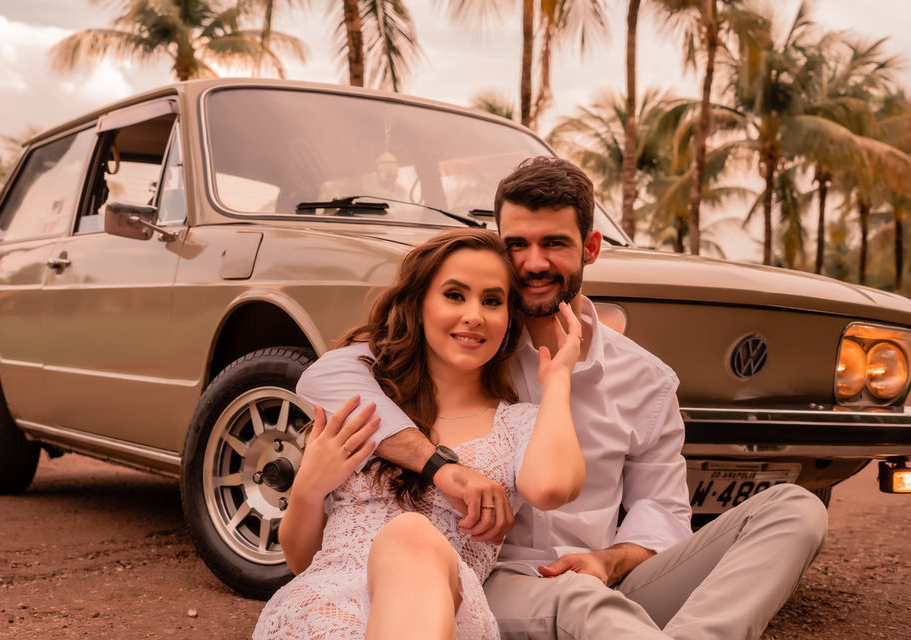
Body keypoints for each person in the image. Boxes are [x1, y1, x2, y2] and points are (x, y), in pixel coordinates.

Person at [297, 156, 829, 639]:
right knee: (579, 604)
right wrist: (440, 466)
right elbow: (332, 375)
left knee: (795, 509)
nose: (533, 263)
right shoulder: (472, 345)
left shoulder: (646, 379)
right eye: (517, 245)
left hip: (608, 583)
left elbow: (662, 511)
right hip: (492, 579)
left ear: (590, 248)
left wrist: (609, 561)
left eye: (554, 243)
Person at [252, 228, 587, 639]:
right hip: (322, 613)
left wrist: (558, 380)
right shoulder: (366, 403)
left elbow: (551, 487)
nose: (474, 315)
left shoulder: (518, 422)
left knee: (411, 535)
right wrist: (307, 489)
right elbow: (305, 561)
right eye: (454, 295)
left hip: (441, 617)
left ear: (509, 319)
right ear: (420, 303)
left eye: (492, 301)